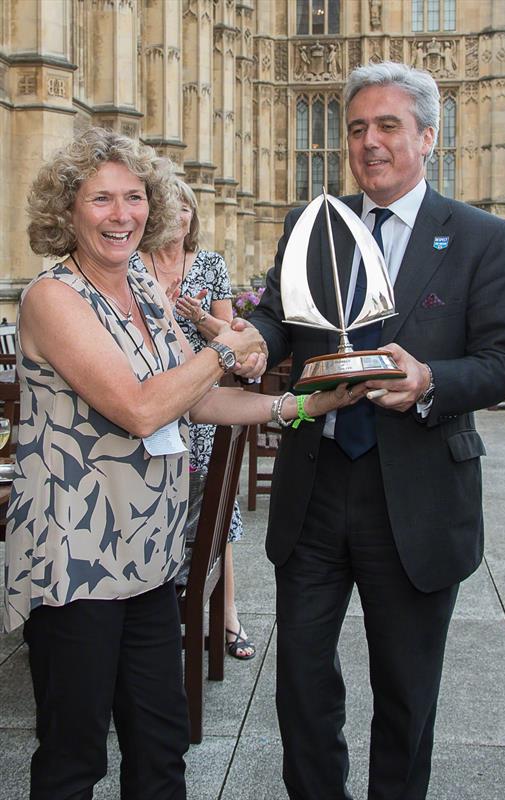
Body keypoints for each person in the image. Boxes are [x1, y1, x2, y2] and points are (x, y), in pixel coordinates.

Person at [2, 127, 359, 800]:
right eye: (101, 199)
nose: (121, 215)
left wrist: (299, 408)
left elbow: (191, 402)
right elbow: (141, 409)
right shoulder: (53, 297)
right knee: (74, 759)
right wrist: (227, 345)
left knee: (162, 751)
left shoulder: (139, 286)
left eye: (133, 197)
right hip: (75, 559)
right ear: (68, 211)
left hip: (148, 555)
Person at [247, 62, 505, 800]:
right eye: (357, 127)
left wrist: (430, 380)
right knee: (300, 688)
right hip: (316, 484)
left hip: (418, 492)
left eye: (388, 126)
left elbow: (501, 362)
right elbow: (279, 318)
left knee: (405, 695)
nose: (369, 143)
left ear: (427, 137)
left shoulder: (480, 236)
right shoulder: (313, 225)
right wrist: (247, 337)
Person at [130, 178, 254, 659]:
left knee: (213, 521)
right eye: (171, 207)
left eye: (186, 209)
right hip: (155, 403)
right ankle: (155, 620)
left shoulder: (209, 264)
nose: (179, 217)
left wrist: (200, 318)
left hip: (203, 402)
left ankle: (227, 620)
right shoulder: (136, 266)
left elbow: (230, 332)